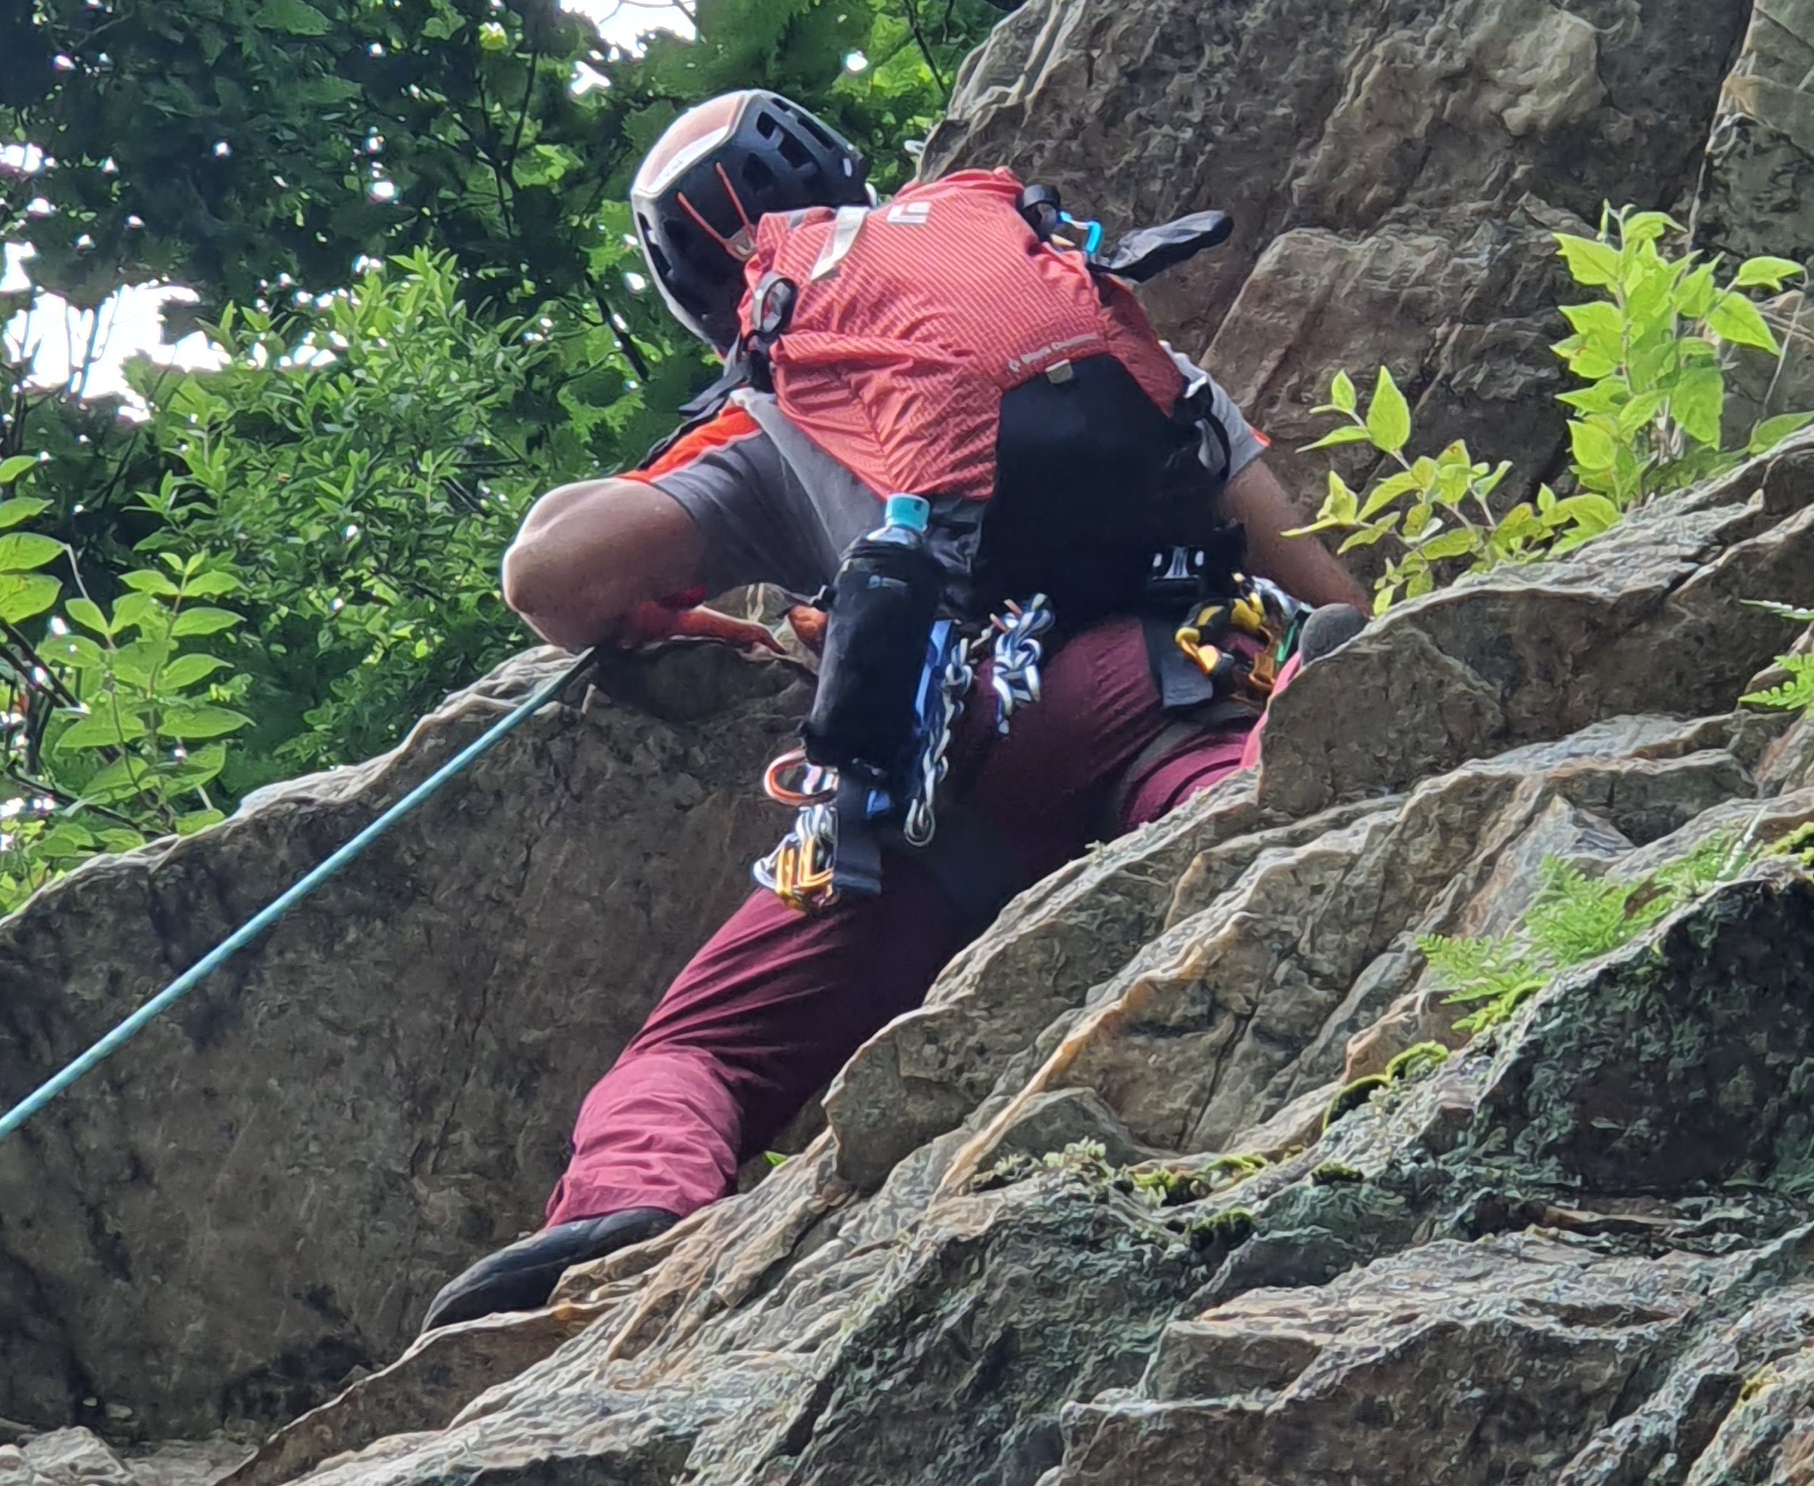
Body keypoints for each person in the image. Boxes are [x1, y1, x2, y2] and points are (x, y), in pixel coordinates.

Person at [420, 92, 1367, 1331]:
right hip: (1164, 680)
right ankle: (1269, 809)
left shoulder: (772, 424)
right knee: (1227, 796)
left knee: (700, 1049)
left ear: (713, 297)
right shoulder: (1105, 335)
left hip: (935, 780)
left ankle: (632, 1213)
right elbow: (1333, 596)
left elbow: (552, 579)